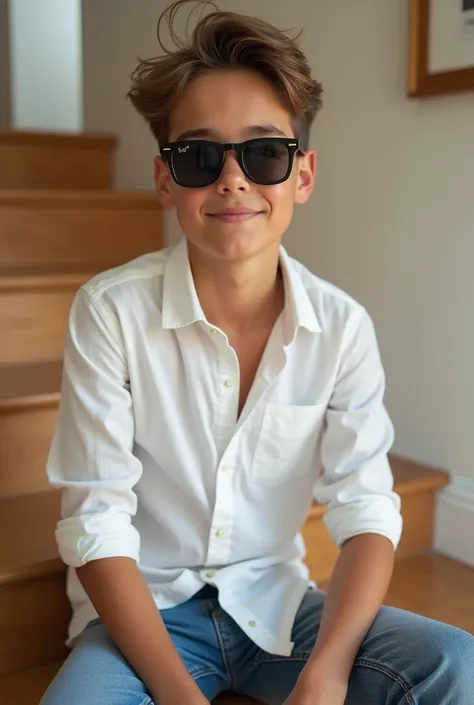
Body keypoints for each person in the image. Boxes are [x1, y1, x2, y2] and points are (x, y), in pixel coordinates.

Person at [41, 2, 474, 704]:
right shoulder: (109, 312)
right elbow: (94, 522)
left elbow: (366, 507)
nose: (233, 179)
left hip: (279, 607)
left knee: (457, 663)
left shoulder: (341, 327)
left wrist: (328, 670)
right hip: (147, 616)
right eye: (200, 155)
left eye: (265, 152)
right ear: (164, 178)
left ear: (301, 176)